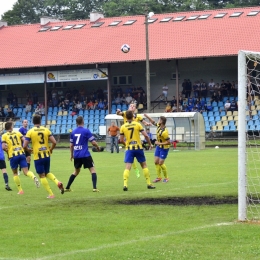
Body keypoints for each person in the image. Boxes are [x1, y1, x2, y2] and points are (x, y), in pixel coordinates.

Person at [23, 115, 64, 198]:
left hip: (38, 156)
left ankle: (51, 194)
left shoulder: (30, 131)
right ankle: (57, 183)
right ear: (40, 121)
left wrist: (28, 150)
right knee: (47, 172)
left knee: (41, 175)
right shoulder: (46, 130)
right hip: (47, 154)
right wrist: (51, 149)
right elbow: (54, 142)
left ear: (33, 122)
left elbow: (24, 146)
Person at [120, 110, 155, 191]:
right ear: (133, 116)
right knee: (144, 166)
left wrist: (127, 145)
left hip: (129, 149)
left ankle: (125, 185)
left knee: (127, 167)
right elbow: (146, 135)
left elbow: (121, 140)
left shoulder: (123, 126)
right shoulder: (137, 124)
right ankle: (149, 183)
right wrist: (150, 144)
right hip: (138, 148)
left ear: (125, 117)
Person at [2, 121, 40, 195]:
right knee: (26, 172)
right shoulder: (18, 133)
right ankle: (33, 177)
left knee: (15, 173)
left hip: (13, 156)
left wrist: (8, 152)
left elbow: (3, 147)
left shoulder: (4, 135)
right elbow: (25, 140)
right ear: (10, 127)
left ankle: (20, 190)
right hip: (21, 154)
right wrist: (27, 149)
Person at [64, 116, 100, 192]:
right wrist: (97, 146)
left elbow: (71, 145)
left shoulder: (73, 132)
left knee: (76, 171)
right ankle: (94, 188)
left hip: (76, 155)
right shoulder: (86, 131)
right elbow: (93, 142)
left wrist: (71, 155)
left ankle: (67, 187)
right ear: (83, 121)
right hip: (85, 154)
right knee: (92, 170)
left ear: (76, 123)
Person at [116, 103, 149, 178]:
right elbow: (119, 113)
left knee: (132, 153)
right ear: (128, 107)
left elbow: (143, 121)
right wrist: (118, 111)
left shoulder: (138, 116)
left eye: (133, 106)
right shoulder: (125, 113)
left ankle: (136, 169)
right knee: (130, 154)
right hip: (127, 137)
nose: (132, 107)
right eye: (131, 106)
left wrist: (146, 123)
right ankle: (135, 169)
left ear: (135, 109)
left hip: (135, 137)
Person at [144, 114, 170, 183]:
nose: (158, 121)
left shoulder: (165, 132)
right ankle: (159, 177)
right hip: (159, 147)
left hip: (164, 148)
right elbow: (153, 122)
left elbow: (168, 142)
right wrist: (147, 116)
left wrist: (159, 143)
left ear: (161, 121)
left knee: (161, 163)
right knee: (156, 162)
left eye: (159, 120)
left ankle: (166, 178)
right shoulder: (159, 126)